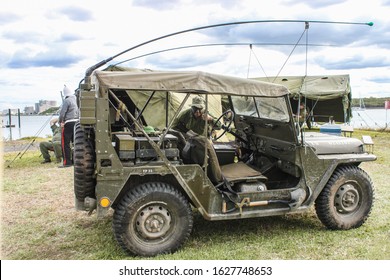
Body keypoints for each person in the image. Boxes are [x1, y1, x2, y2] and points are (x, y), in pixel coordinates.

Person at [172, 96, 222, 184]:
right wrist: (186, 132)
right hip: (190, 140)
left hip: (204, 143)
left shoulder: (207, 114)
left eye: (200, 109)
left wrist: (210, 119)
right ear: (191, 107)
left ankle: (215, 179)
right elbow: (174, 126)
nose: (198, 112)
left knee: (210, 162)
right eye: (195, 109)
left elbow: (219, 126)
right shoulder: (186, 114)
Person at [58, 85, 79, 168]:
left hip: (68, 123)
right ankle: (75, 161)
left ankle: (67, 162)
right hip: (77, 123)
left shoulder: (66, 101)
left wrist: (61, 121)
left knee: (65, 143)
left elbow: (62, 113)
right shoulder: (76, 99)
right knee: (75, 143)